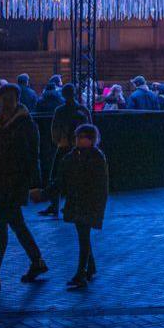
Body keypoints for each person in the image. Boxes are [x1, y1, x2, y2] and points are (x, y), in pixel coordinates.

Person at [0, 84, 47, 292]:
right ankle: (37, 262)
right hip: (2, 183)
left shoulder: (25, 124)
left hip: (15, 183)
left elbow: (33, 155)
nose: (6, 102)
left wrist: (33, 184)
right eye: (4, 98)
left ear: (16, 100)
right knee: (17, 224)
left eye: (10, 98)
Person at [55, 123, 108, 289]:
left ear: (91, 139)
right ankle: (89, 268)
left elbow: (99, 185)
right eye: (77, 137)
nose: (78, 140)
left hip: (86, 202)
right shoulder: (78, 156)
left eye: (81, 137)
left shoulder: (92, 158)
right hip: (81, 202)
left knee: (83, 237)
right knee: (83, 236)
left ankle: (82, 272)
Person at [40, 86, 91, 218]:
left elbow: (54, 129)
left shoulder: (60, 110)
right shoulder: (82, 110)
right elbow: (90, 129)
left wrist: (58, 141)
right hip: (79, 148)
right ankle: (74, 205)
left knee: (56, 177)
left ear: (63, 94)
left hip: (63, 147)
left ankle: (55, 205)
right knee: (77, 178)